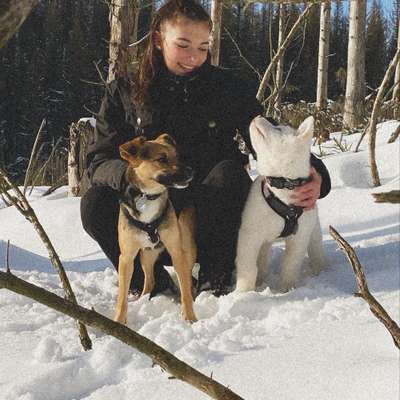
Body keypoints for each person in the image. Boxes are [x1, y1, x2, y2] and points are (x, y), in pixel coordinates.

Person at [80, 0, 331, 297]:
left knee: (229, 174)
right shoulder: (126, 89)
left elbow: (269, 136)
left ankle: (216, 276)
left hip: (212, 213)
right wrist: (132, 177)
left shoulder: (226, 87)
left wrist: (315, 175)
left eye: (203, 47)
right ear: (159, 39)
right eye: (183, 45)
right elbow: (99, 160)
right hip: (152, 212)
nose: (194, 57)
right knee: (95, 204)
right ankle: (152, 285)